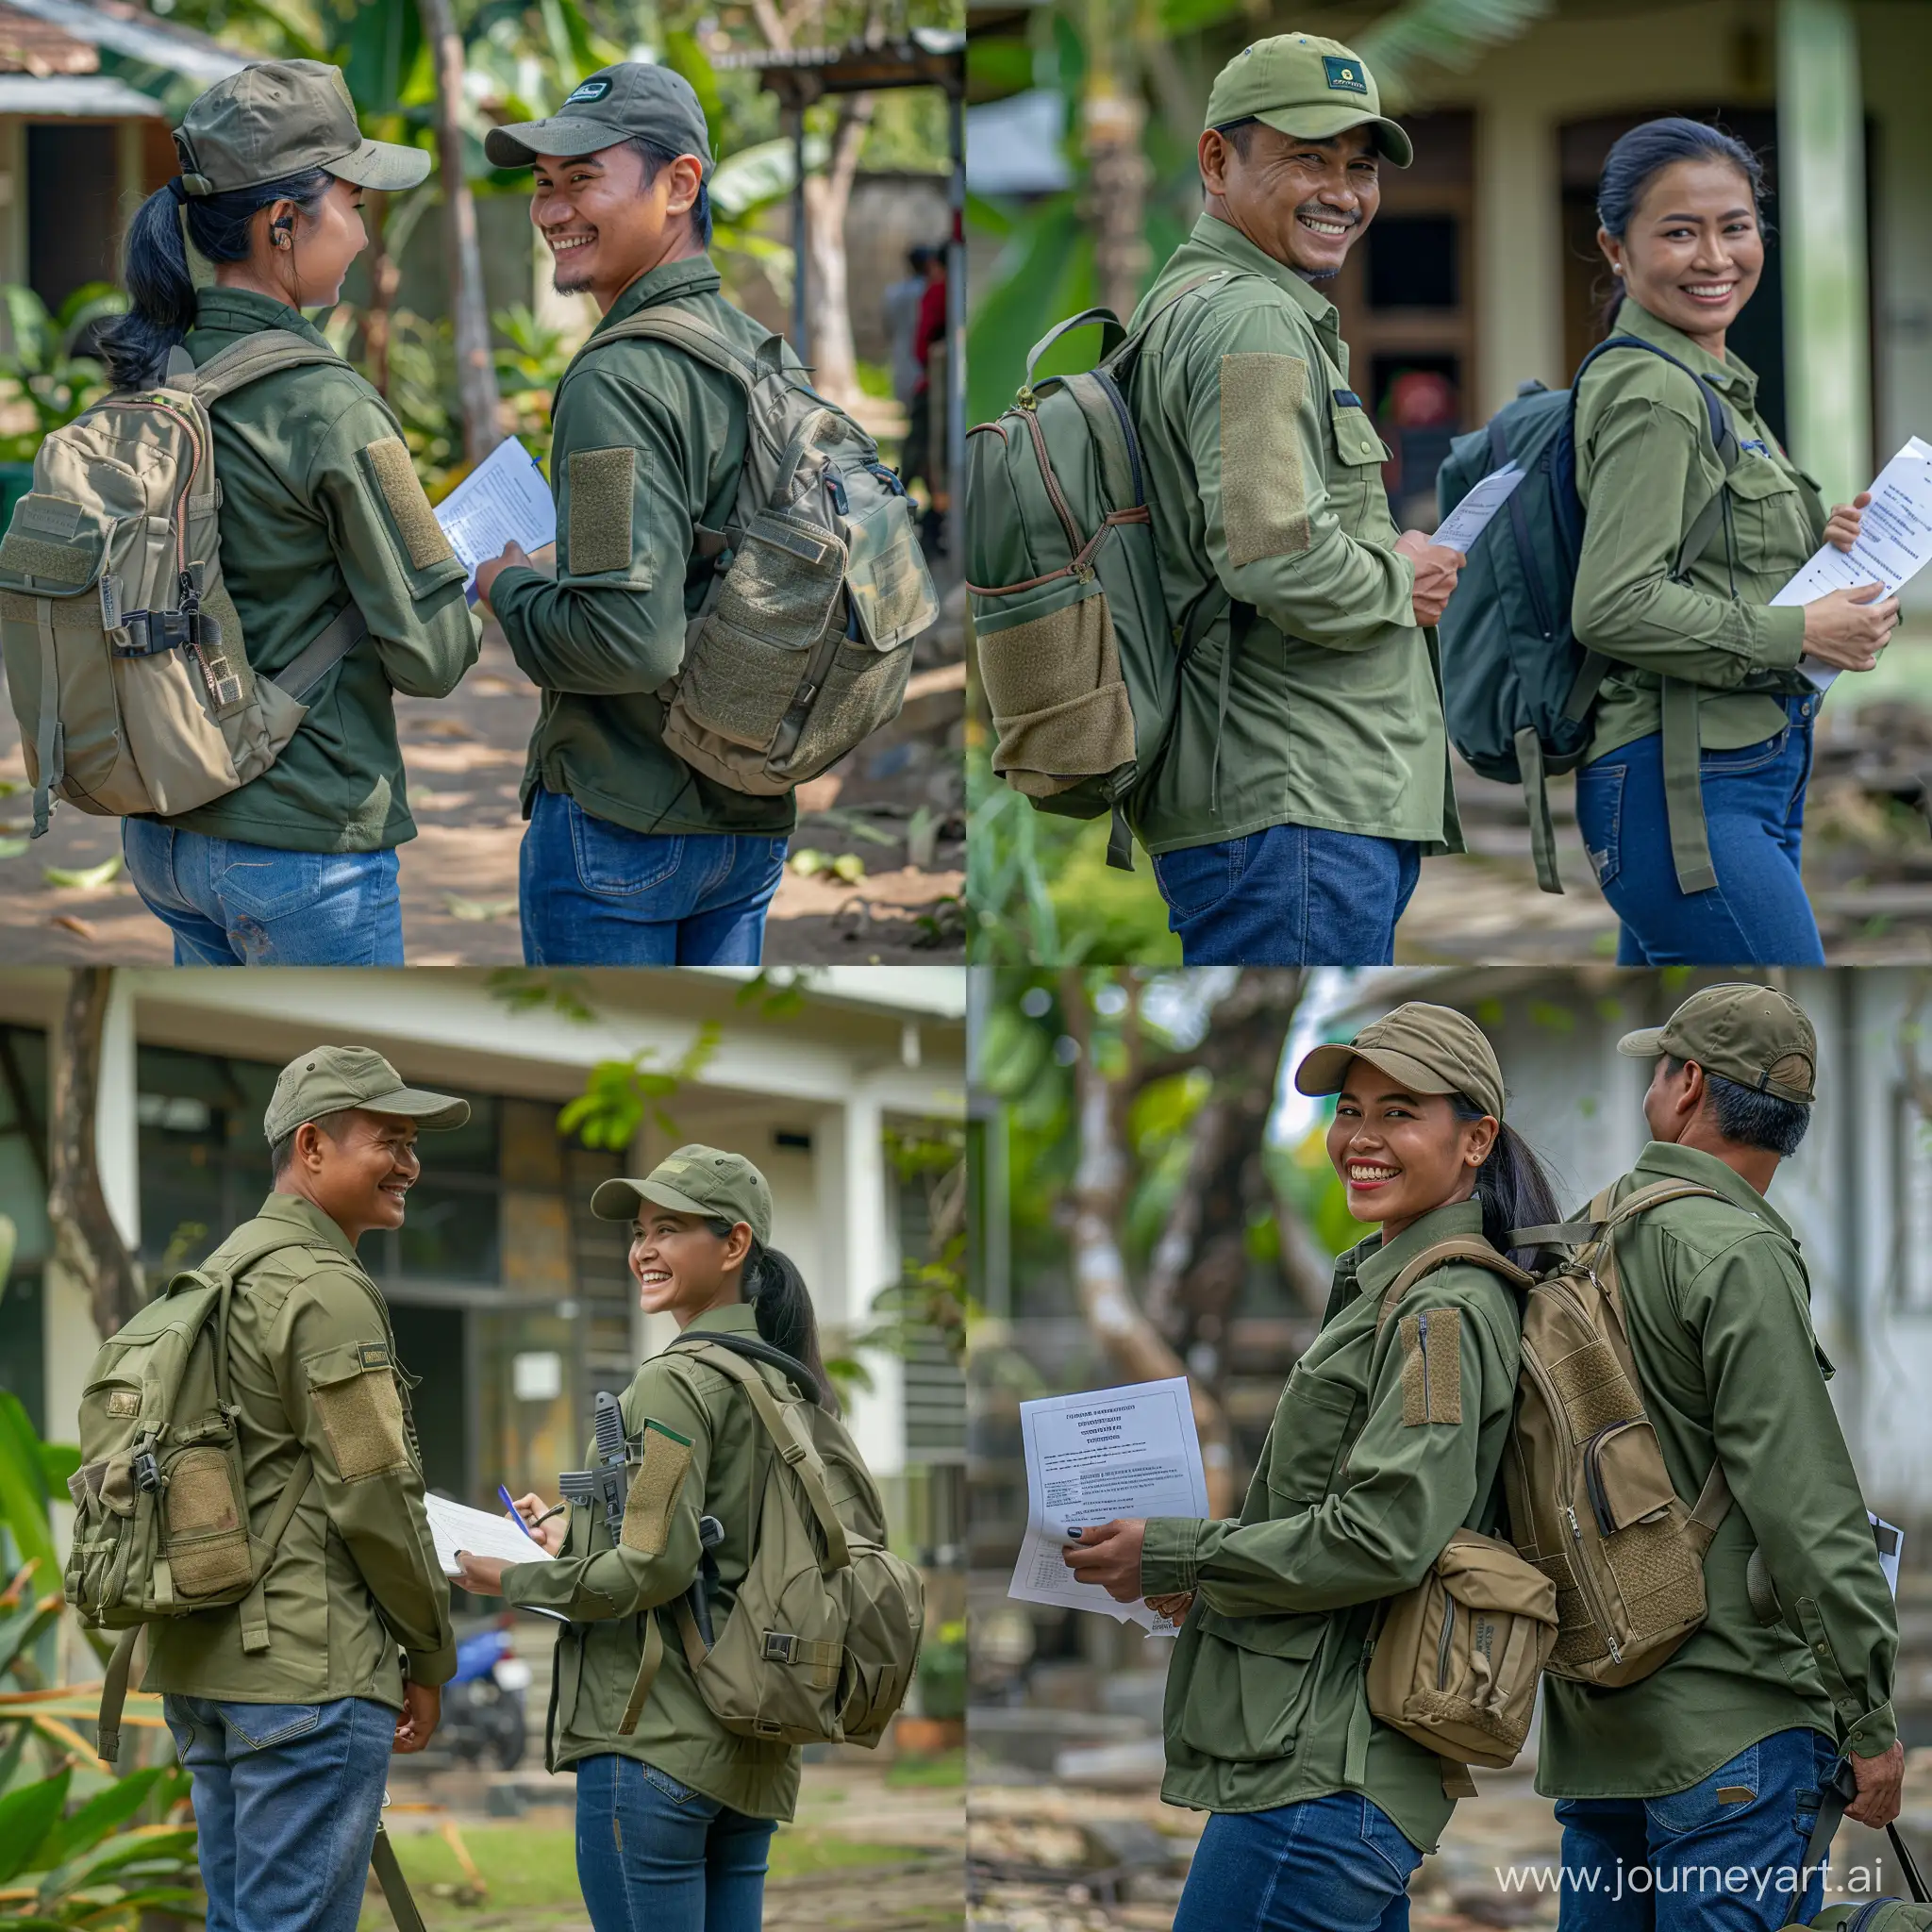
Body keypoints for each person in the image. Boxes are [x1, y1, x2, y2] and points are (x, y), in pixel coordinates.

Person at [1064, 1004, 1561, 1931]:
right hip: (1316, 1763)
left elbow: (1382, 1535)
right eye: (1348, 1108)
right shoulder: (1387, 1288)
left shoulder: (1440, 1309)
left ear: (1473, 1139)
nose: (1358, 1139)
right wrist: (1208, 1573)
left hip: (1324, 1773)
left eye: (1398, 1111)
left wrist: (1181, 1554)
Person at [100, 61, 481, 966]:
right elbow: (431, 658)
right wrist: (479, 584)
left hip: (167, 835)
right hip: (301, 847)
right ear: (282, 223)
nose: (362, 235)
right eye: (351, 202)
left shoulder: (159, 375)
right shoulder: (327, 405)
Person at [454, 1145, 890, 1931]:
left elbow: (655, 1565)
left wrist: (509, 1580)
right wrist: (569, 1532)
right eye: (640, 1232)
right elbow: (708, 1541)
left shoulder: (674, 1380)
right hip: (750, 1749)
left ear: (734, 1246)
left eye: (669, 1229)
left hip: (654, 1745)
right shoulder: (790, 1385)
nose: (642, 1250)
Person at [1542, 983, 1899, 1929]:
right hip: (1731, 1726)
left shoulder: (1583, 1237)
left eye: (1657, 1063)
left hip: (1598, 1718)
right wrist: (1866, 1714)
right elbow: (1803, 1501)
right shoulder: (1736, 1250)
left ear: (1686, 1082)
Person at [1123, 33, 1467, 967]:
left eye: (1359, 166)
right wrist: (1400, 579)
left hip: (1289, 804)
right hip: (1293, 804)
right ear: (1215, 159)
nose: (1342, 192)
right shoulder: (1252, 318)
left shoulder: (1201, 302)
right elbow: (1272, 551)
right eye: (1306, 158)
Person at [473, 66, 798, 967]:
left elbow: (626, 641)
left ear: (680, 185)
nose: (552, 212)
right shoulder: (763, 353)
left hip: (621, 819)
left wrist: (509, 587)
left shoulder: (617, 379)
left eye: (583, 180)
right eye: (543, 184)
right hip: (748, 820)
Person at [149, 1045, 465, 1932]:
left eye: (413, 1142)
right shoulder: (323, 1289)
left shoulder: (215, 1277)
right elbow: (376, 1491)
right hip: (307, 1675)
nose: (410, 1163)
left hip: (206, 1671)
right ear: (313, 1146)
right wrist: (431, 1656)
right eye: (390, 1139)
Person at [1569, 119, 1899, 965]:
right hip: (1684, 788)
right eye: (1679, 232)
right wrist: (1802, 631)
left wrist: (1815, 555)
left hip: (1743, 773)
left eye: (1735, 226)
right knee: (1776, 1017)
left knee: (1711, 1043)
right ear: (1616, 249)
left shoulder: (1711, 383)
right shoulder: (1655, 392)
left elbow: (1699, 561)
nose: (1715, 257)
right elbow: (1612, 605)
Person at [884, 243, 935, 420]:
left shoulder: (893, 293)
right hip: (925, 354)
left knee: (907, 405)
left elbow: (888, 326)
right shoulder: (931, 291)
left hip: (902, 350)